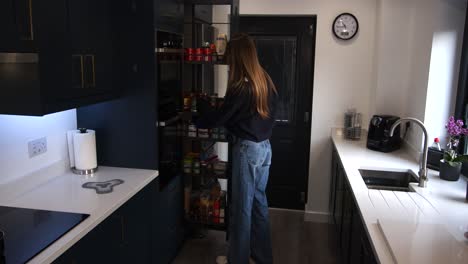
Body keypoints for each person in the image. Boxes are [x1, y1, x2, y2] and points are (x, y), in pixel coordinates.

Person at [196, 33, 278, 264]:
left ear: (238, 57)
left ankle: (237, 260)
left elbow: (220, 117)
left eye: (230, 57)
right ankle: (262, 257)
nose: (227, 62)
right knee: (259, 204)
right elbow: (249, 115)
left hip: (248, 151)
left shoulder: (241, 86)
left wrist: (200, 112)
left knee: (241, 208)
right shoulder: (264, 80)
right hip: (264, 149)